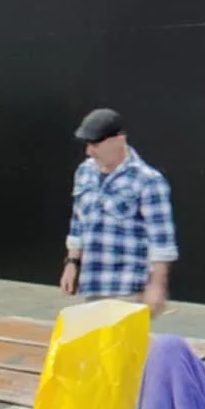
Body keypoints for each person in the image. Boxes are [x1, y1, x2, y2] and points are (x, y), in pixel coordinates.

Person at [60, 108, 177, 314]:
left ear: (119, 140)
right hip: (93, 283)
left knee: (123, 345)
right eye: (88, 145)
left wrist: (157, 286)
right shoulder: (85, 172)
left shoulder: (148, 180)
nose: (89, 151)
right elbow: (77, 223)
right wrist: (72, 263)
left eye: (95, 144)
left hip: (128, 289)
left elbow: (162, 242)